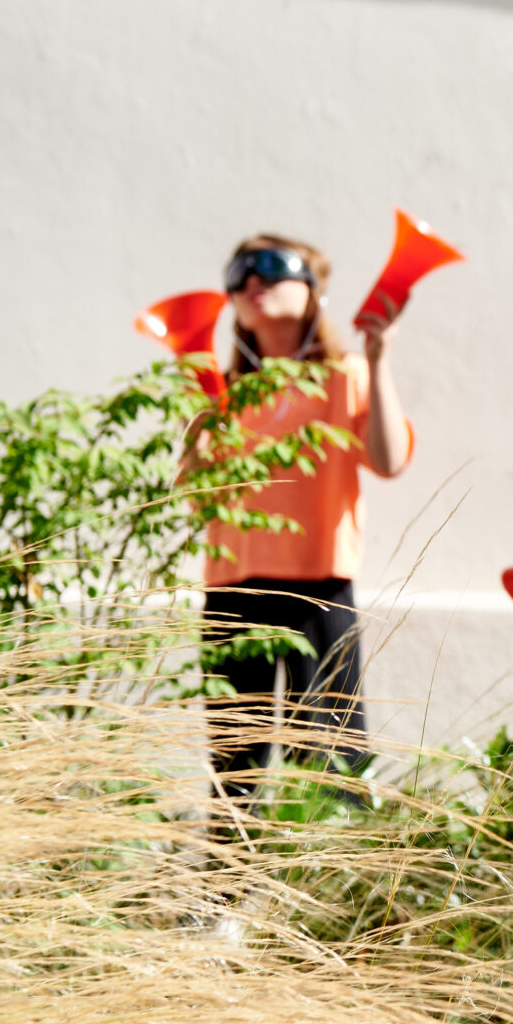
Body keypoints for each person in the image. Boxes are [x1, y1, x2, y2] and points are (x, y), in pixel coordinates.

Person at [199, 234, 412, 818]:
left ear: (312, 288)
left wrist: (379, 358)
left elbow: (390, 461)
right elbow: (198, 501)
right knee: (232, 762)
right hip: (229, 591)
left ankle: (333, 892)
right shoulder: (224, 393)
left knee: (330, 750)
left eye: (270, 267)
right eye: (238, 272)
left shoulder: (344, 374)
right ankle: (224, 896)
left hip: (316, 589)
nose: (251, 283)